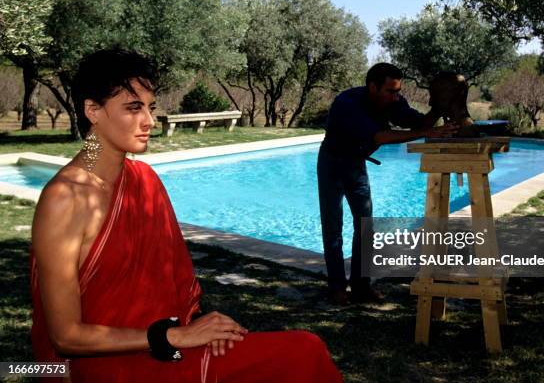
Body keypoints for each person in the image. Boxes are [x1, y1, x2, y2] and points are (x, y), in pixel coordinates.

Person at [30, 48, 343, 383]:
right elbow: (65, 336)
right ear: (93, 110)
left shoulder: (144, 179)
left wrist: (197, 329)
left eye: (150, 107)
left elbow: (172, 283)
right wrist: (171, 337)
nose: (149, 121)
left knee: (301, 352)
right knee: (303, 352)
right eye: (133, 108)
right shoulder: (65, 199)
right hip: (109, 364)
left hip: (165, 344)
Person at [317, 63, 459, 305]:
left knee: (366, 226)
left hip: (356, 164)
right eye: (390, 91)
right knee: (333, 229)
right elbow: (380, 137)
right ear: (372, 86)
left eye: (398, 91)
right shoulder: (347, 103)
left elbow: (420, 124)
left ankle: (361, 287)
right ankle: (337, 288)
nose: (396, 96)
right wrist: (428, 134)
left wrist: (439, 106)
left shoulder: (392, 102)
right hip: (332, 164)